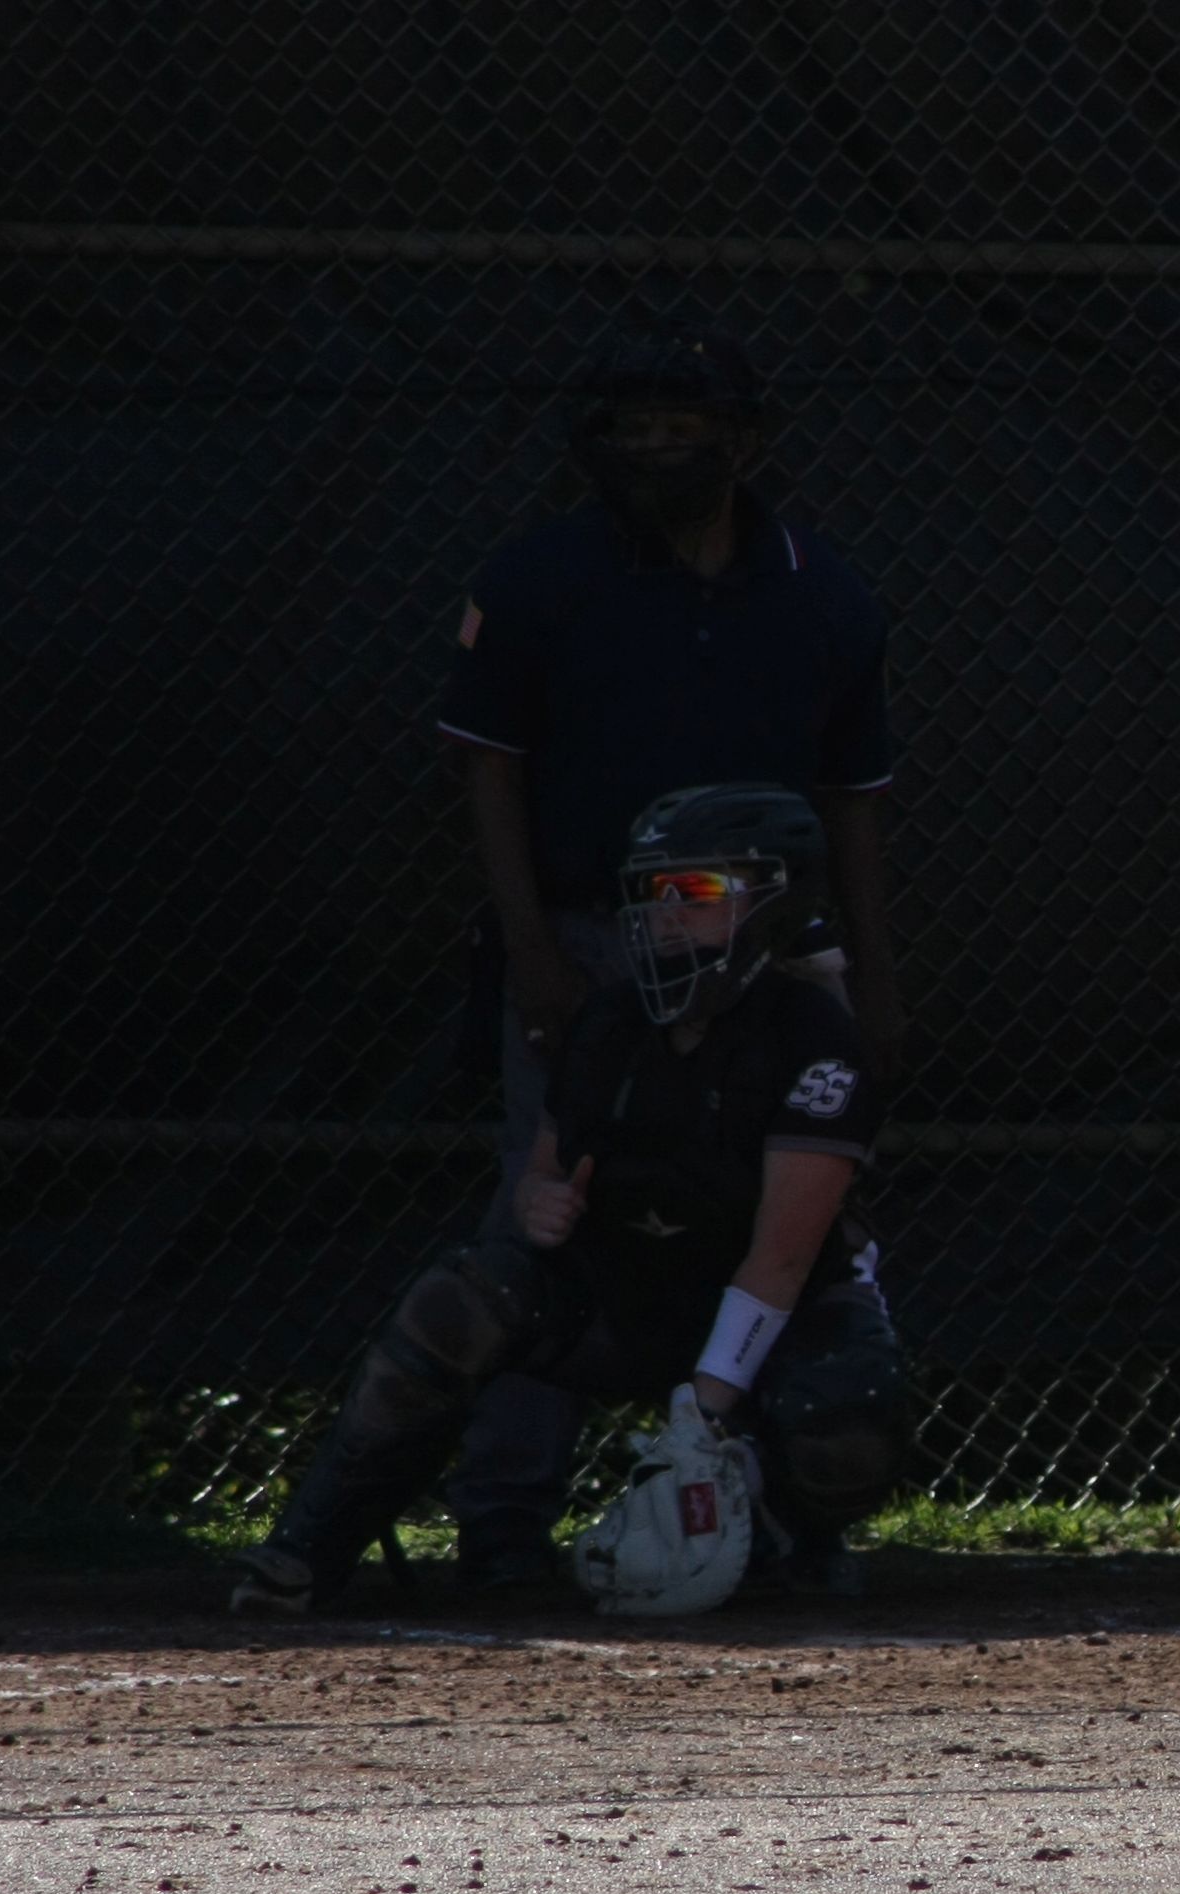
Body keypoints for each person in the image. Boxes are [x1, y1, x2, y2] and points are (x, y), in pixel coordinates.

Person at [427, 319, 900, 1590]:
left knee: (797, 1224)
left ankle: (775, 1510)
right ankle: (502, 1522)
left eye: (680, 426)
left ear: (743, 441)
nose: (652, 450)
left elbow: (852, 800)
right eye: (628, 428)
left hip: (772, 949)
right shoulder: (541, 579)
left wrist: (869, 973)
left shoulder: (821, 593)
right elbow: (488, 769)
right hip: (594, 939)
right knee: (545, 1218)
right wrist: (535, 952)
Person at [230, 787, 902, 1617]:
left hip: (767, 1321)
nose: (664, 915)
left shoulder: (815, 1035)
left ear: (773, 899)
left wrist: (701, 1418)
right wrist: (540, 1205)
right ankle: (309, 1550)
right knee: (460, 1305)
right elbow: (542, 1178)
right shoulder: (611, 1020)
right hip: (628, 1295)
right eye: (651, 892)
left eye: (695, 891)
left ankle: (789, 1540)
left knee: (844, 1412)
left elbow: (784, 1259)